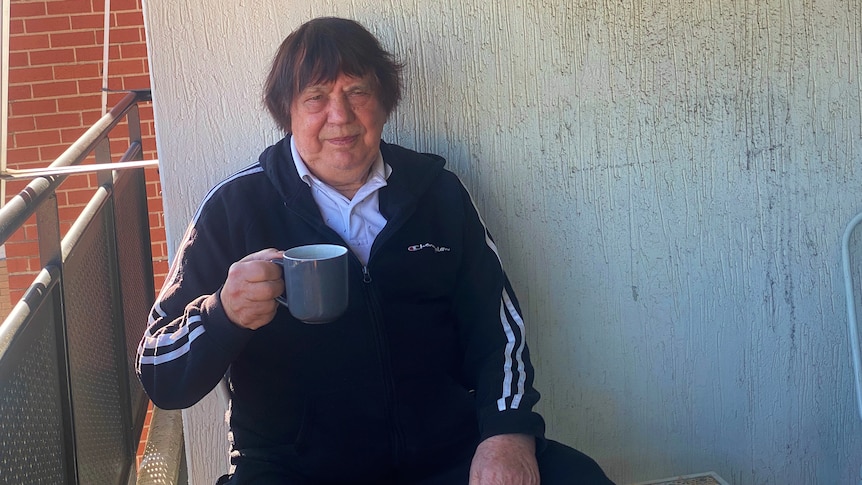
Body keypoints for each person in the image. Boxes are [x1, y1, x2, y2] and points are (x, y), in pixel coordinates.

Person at [136, 16, 614, 485]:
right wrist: (222, 314)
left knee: (579, 478)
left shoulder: (437, 194)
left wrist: (506, 435)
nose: (340, 117)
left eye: (357, 92)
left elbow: (498, 331)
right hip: (293, 471)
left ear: (384, 102)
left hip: (444, 457)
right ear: (288, 112)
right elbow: (158, 371)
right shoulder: (235, 208)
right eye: (317, 98)